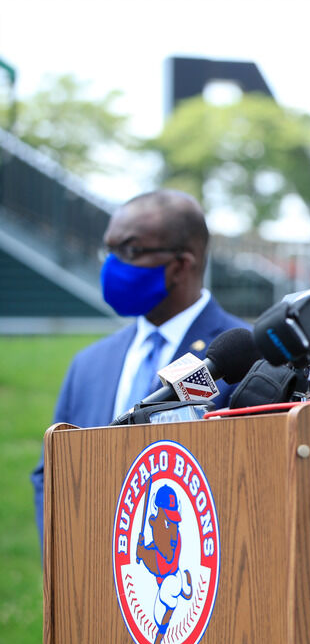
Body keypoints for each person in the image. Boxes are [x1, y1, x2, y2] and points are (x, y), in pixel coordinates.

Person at [31, 189, 248, 550]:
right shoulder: (88, 364)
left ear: (182, 264)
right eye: (109, 250)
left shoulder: (244, 356)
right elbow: (50, 474)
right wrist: (64, 567)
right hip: (91, 583)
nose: (112, 265)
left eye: (129, 251)